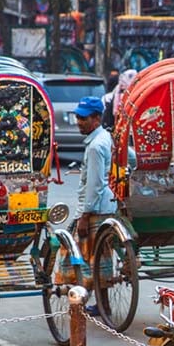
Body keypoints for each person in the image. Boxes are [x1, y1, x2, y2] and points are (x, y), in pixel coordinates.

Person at [74, 96, 116, 314]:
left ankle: (83, 300)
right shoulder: (104, 138)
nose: (79, 122)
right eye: (77, 118)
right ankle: (103, 304)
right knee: (101, 258)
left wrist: (84, 215)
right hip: (106, 206)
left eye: (83, 118)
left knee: (85, 257)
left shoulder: (95, 146)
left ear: (97, 118)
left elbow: (95, 184)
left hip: (96, 210)